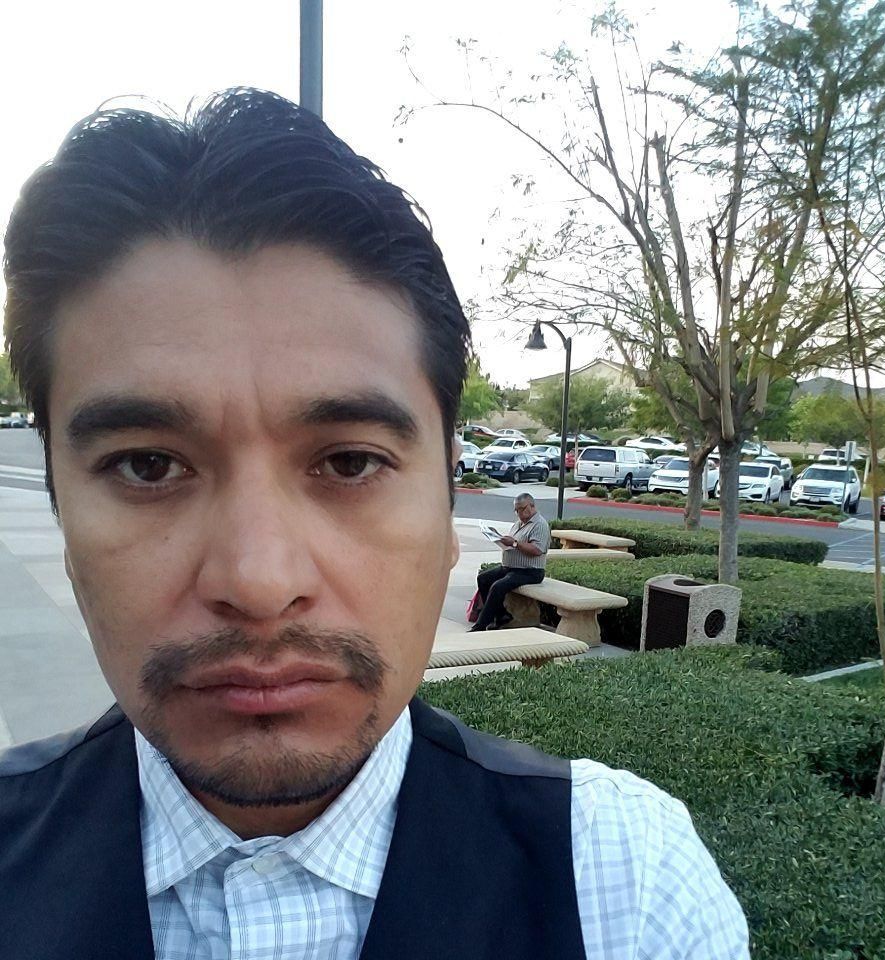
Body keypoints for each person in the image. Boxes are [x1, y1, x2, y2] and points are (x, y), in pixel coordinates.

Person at [0, 89, 749, 959]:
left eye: (351, 462)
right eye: (147, 465)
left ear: (446, 493)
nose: (259, 582)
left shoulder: (627, 888)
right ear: (60, 503)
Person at [470, 493, 549, 631]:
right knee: (483, 578)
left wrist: (514, 543)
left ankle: (480, 625)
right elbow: (513, 542)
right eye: (516, 510)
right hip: (510, 568)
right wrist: (499, 537)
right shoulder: (519, 523)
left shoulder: (539, 525)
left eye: (521, 509)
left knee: (497, 587)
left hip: (529, 571)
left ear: (531, 506)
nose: (518, 513)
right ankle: (501, 615)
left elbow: (537, 550)